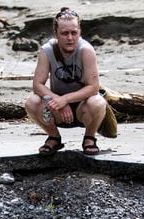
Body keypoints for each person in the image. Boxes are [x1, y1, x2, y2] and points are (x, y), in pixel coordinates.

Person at [24, 7, 107, 156]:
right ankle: (54, 137)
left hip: (83, 107)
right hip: (56, 109)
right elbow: (37, 85)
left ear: (79, 31)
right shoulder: (47, 50)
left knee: (98, 102)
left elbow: (93, 88)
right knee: (32, 102)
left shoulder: (86, 50)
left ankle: (89, 138)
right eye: (64, 33)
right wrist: (58, 101)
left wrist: (66, 99)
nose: (70, 38)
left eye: (74, 33)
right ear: (56, 34)